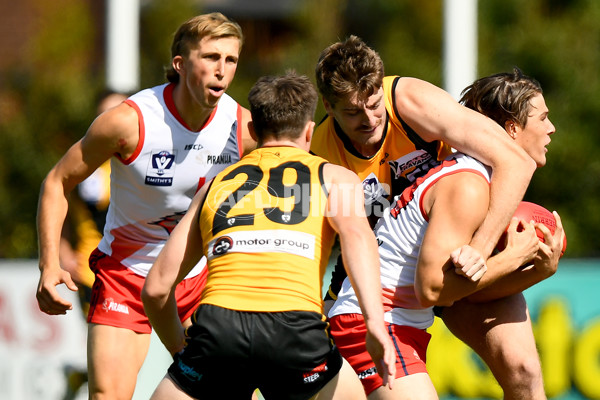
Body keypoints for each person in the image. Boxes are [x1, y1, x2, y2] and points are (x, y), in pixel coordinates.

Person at [36, 13, 255, 400]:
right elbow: (57, 182)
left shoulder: (243, 127)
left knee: (233, 393)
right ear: (180, 64)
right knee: (107, 395)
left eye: (231, 60)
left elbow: (299, 172)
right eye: (210, 57)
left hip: (201, 279)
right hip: (127, 276)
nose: (221, 70)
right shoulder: (129, 122)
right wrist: (49, 264)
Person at [311, 36, 542, 399]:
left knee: (524, 370)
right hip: (394, 284)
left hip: (453, 260)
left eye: (373, 105)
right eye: (353, 112)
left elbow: (515, 161)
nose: (369, 119)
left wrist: (479, 251)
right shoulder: (320, 153)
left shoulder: (408, 101)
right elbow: (329, 245)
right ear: (328, 105)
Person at [141, 72, 396, 400]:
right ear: (309, 131)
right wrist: (374, 321)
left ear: (251, 131)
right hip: (296, 331)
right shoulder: (336, 177)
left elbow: (156, 288)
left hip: (219, 333)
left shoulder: (214, 186)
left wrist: (181, 350)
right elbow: (358, 240)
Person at [59, 90, 128, 399]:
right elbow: (57, 198)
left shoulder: (148, 160)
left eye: (120, 110)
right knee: (113, 358)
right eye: (106, 112)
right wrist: (61, 252)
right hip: (96, 273)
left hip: (139, 272)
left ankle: (80, 376)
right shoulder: (89, 166)